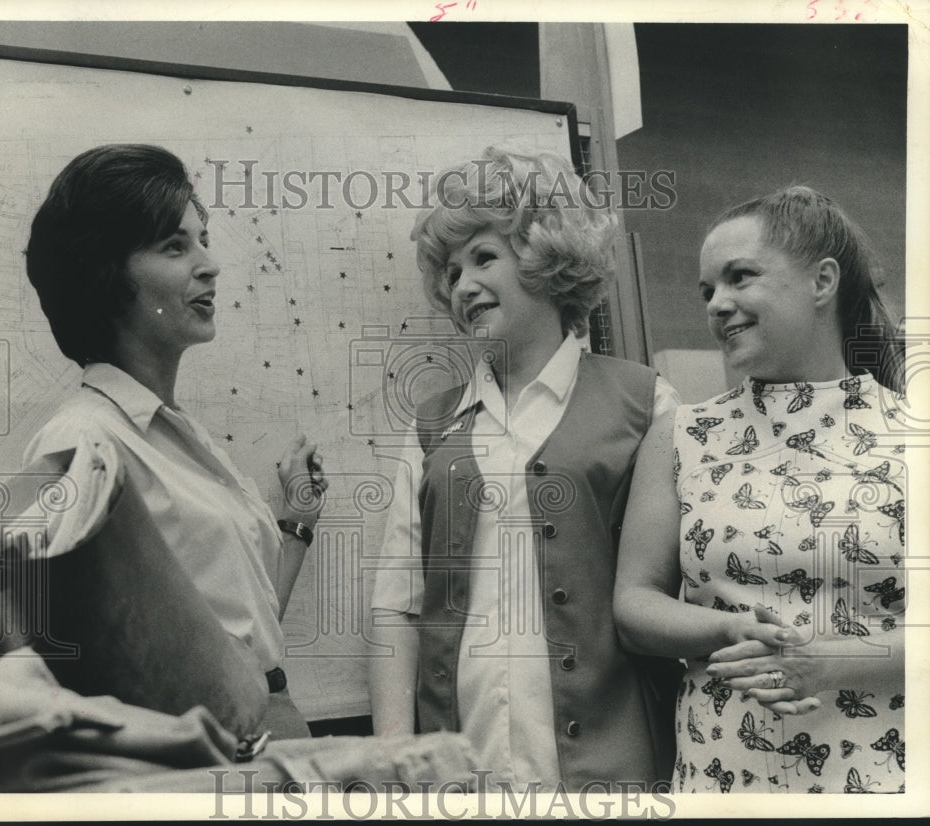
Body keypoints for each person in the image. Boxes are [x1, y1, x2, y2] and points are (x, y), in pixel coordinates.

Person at [368, 146, 681, 792]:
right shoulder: (431, 427)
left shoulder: (646, 403)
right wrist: (396, 759)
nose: (462, 287)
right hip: (463, 772)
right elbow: (397, 608)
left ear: (547, 256)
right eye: (451, 273)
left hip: (613, 772)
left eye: (484, 258)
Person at [21, 144, 327, 740]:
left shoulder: (177, 435)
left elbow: (241, 633)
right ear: (106, 274)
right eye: (174, 245)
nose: (210, 264)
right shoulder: (87, 443)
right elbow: (45, 661)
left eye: (202, 237)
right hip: (213, 754)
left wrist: (297, 523)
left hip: (271, 727)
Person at [614, 185, 906, 794]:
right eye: (706, 291)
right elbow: (635, 605)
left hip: (886, 778)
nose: (717, 304)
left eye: (739, 277)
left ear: (822, 282)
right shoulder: (683, 435)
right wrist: (725, 629)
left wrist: (829, 663)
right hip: (720, 777)